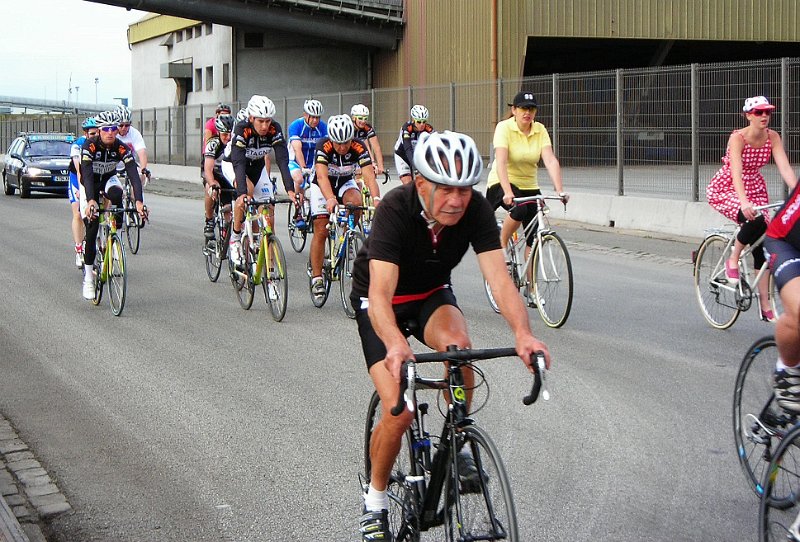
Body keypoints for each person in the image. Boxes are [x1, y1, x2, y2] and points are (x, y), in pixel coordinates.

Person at [349, 130, 551, 540]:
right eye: (445, 189)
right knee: (400, 410)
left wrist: (523, 334)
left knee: (461, 353)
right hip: (381, 300)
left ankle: (457, 435)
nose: (456, 199)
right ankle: (375, 497)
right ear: (421, 183)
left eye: (463, 189)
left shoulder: (475, 210)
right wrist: (395, 343)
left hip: (430, 294)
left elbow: (499, 279)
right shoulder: (394, 209)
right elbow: (381, 293)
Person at [707, 95, 796, 322]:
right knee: (755, 220)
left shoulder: (772, 137)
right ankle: (732, 260)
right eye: (758, 112)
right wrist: (744, 201)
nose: (764, 116)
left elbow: (784, 167)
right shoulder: (738, 138)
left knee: (763, 243)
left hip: (756, 187)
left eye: (767, 112)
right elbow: (736, 171)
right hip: (728, 187)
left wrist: (797, 191)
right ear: (748, 115)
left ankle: (765, 305)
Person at [485, 91, 568, 257]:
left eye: (531, 109)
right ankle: (501, 243)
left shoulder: (540, 129)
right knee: (519, 210)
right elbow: (500, 161)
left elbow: (550, 160)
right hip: (502, 183)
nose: (528, 113)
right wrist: (507, 192)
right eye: (523, 108)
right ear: (514, 110)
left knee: (533, 241)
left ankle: (531, 283)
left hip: (529, 186)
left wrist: (560, 190)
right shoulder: (504, 127)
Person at [308, 114, 381, 303]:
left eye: (346, 143)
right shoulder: (323, 146)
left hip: (345, 181)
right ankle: (317, 278)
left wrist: (376, 198)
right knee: (321, 228)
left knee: (356, 202)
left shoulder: (358, 146)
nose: (342, 148)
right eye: (338, 143)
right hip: (322, 185)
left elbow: (369, 176)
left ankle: (346, 234)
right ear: (331, 139)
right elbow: (322, 177)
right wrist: (330, 198)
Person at [79, 110, 147, 300]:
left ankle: (115, 231)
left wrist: (139, 201)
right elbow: (86, 173)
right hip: (90, 183)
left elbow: (133, 173)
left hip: (109, 178)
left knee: (118, 194)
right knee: (92, 228)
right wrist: (91, 200)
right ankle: (88, 279)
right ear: (100, 130)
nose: (110, 132)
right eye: (106, 129)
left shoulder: (121, 148)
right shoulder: (89, 146)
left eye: (113, 129)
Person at [223, 95, 294, 267]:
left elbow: (283, 160)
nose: (265, 126)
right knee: (246, 191)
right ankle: (236, 237)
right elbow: (238, 163)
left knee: (268, 214)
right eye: (260, 121)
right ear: (251, 118)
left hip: (257, 167)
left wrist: (290, 190)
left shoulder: (274, 129)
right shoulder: (242, 129)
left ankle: (270, 274)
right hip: (234, 165)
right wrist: (241, 194)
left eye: (268, 121)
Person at [68, 117, 99, 268]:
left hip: (92, 177)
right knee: (78, 214)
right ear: (85, 133)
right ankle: (79, 248)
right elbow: (80, 170)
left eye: (97, 132)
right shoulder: (77, 145)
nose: (95, 136)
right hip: (77, 178)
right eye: (92, 133)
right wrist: (82, 189)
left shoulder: (101, 143)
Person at [202, 113, 235, 240]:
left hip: (228, 174)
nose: (228, 138)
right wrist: (212, 183)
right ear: (219, 133)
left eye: (230, 134)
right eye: (225, 135)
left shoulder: (236, 143)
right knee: (211, 189)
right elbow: (208, 169)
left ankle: (229, 233)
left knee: (229, 208)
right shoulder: (213, 144)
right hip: (214, 173)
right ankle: (209, 221)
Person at [288, 99, 328, 202]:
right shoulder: (296, 126)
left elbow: (326, 148)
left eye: (317, 117)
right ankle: (298, 209)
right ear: (305, 115)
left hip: (314, 162)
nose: (315, 120)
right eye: (312, 117)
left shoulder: (323, 127)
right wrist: (303, 168)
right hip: (295, 161)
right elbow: (297, 149)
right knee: (300, 179)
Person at [393, 104, 433, 185]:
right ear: (413, 120)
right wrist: (416, 168)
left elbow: (434, 147)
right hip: (402, 155)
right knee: (408, 184)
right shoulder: (407, 128)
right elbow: (408, 149)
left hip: (418, 157)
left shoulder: (429, 129)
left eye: (424, 122)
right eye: (419, 122)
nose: (422, 124)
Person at [115, 105, 150, 181]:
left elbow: (142, 152)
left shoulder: (134, 133)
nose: (124, 128)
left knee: (139, 179)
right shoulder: (111, 133)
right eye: (121, 125)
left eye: (127, 125)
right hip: (113, 166)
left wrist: (143, 169)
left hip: (130, 165)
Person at [351, 104, 385, 175]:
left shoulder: (367, 128)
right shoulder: (349, 128)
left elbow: (376, 148)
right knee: (358, 177)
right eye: (360, 118)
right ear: (354, 118)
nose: (363, 121)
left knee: (372, 172)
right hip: (349, 154)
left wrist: (380, 166)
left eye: (365, 118)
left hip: (361, 152)